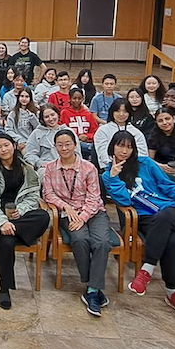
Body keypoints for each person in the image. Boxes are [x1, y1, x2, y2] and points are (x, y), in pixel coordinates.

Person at [103, 131, 175, 318]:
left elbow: (167, 186)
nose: (125, 150)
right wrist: (114, 177)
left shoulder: (146, 164)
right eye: (120, 145)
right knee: (171, 241)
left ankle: (146, 270)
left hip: (171, 211)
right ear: (112, 147)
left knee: (165, 219)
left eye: (129, 146)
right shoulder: (108, 174)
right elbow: (124, 201)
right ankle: (173, 293)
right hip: (145, 218)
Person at [43, 129, 115, 316]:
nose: (64, 148)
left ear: (75, 145)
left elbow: (94, 197)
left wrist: (83, 217)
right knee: (80, 240)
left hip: (93, 212)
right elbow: (48, 194)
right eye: (60, 145)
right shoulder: (50, 168)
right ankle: (94, 288)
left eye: (68, 144)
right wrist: (66, 207)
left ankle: (92, 290)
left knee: (102, 243)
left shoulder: (89, 168)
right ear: (55, 146)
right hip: (69, 214)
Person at [0, 133, 50, 310]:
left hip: (19, 216)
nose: (3, 149)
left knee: (44, 216)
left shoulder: (27, 169)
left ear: (14, 146)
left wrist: (21, 211)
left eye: (6, 145)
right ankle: (4, 288)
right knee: (7, 241)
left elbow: (33, 195)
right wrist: (2, 222)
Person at [24, 105, 71, 171]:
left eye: (52, 115)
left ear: (57, 114)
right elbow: (29, 155)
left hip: (68, 166)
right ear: (42, 119)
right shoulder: (36, 133)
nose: (51, 119)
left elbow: (77, 154)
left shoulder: (69, 131)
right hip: (47, 168)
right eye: (46, 117)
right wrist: (40, 163)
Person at [60, 88, 98, 161]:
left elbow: (96, 131)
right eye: (74, 98)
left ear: (83, 99)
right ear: (70, 99)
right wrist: (76, 137)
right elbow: (62, 130)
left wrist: (88, 136)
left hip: (88, 143)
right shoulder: (64, 113)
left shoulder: (88, 114)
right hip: (72, 143)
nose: (77, 101)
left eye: (79, 98)